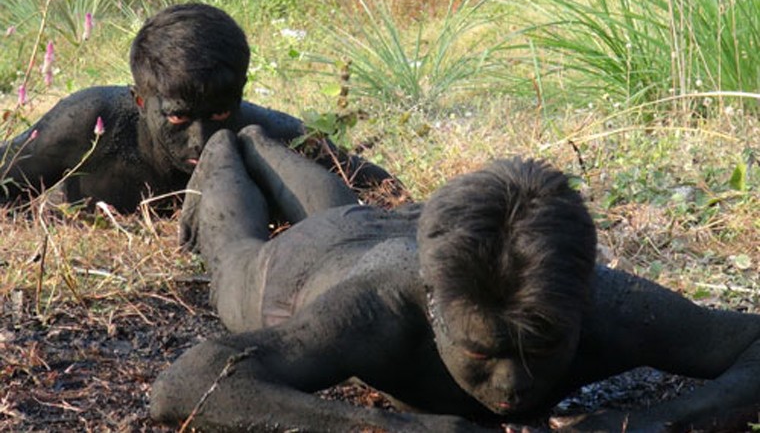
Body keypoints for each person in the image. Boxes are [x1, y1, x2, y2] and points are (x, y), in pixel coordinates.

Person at [150, 126, 760, 432]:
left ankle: (259, 137)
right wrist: (394, 428)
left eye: (540, 348)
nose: (513, 385)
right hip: (305, 265)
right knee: (235, 254)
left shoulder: (602, 302)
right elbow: (187, 384)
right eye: (479, 351)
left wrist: (662, 422)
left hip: (381, 227)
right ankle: (226, 146)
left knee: (350, 213)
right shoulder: (377, 310)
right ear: (434, 307)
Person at [0, 3, 402, 213]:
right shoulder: (92, 122)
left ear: (238, 98)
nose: (202, 139)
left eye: (220, 116)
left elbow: (385, 190)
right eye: (178, 117)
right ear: (141, 101)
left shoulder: (266, 132)